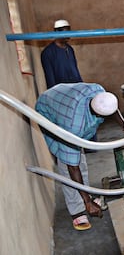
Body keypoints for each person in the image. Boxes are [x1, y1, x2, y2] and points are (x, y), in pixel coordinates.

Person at [35, 83, 118, 230]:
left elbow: (112, 108)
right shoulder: (74, 125)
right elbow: (72, 167)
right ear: (97, 114)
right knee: (68, 164)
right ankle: (77, 209)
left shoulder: (99, 92)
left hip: (61, 97)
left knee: (79, 159)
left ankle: (85, 196)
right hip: (48, 110)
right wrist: (88, 202)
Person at [41, 19, 83, 89]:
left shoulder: (70, 49)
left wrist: (81, 86)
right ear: (57, 32)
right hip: (61, 91)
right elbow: (50, 79)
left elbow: (76, 71)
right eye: (65, 31)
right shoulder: (47, 53)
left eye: (69, 31)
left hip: (75, 89)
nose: (68, 35)